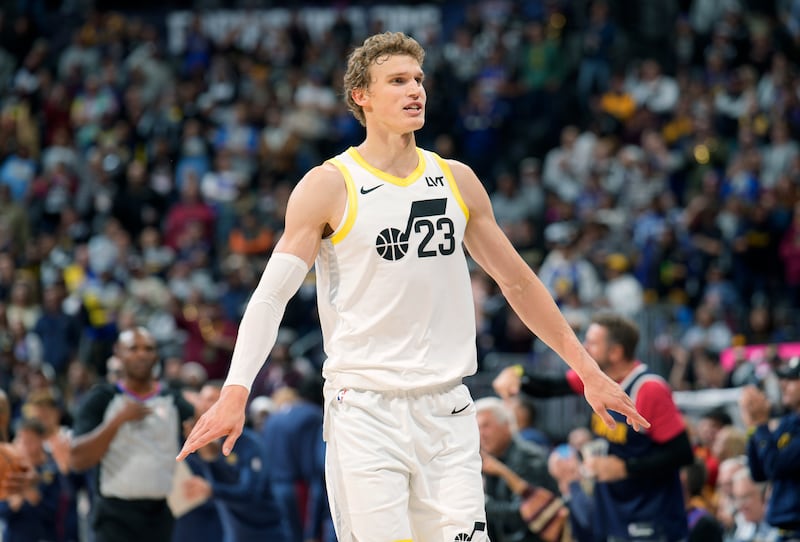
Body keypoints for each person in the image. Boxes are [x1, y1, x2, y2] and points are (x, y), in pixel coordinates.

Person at [178, 31, 648, 542]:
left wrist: (588, 369)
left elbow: (518, 281)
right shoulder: (329, 185)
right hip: (366, 411)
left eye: (418, 79)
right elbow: (270, 297)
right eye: (398, 81)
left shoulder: (457, 180)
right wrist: (235, 390)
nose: (414, 90)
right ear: (362, 96)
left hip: (447, 409)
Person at [494, 311, 693, 541]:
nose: (584, 349)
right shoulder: (597, 380)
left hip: (652, 513)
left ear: (616, 352)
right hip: (614, 507)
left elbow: (682, 454)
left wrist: (626, 467)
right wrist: (516, 373)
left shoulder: (649, 389)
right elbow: (549, 386)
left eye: (592, 343)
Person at [69, 327, 195, 542]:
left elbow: (202, 446)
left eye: (148, 349)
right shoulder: (101, 399)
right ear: (118, 353)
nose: (142, 354)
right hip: (114, 516)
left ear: (156, 355)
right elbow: (78, 459)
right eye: (133, 348)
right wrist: (116, 422)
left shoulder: (173, 401)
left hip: (161, 514)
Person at [476, 397, 558, 542]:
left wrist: (482, 503)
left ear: (506, 426)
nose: (481, 434)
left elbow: (524, 517)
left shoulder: (530, 458)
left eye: (486, 426)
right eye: (477, 428)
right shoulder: (485, 461)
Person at [739, 355, 800, 542]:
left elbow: (775, 467)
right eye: (783, 379)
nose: (783, 385)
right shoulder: (789, 422)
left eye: (792, 379)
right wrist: (755, 427)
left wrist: (761, 424)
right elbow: (759, 473)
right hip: (782, 531)